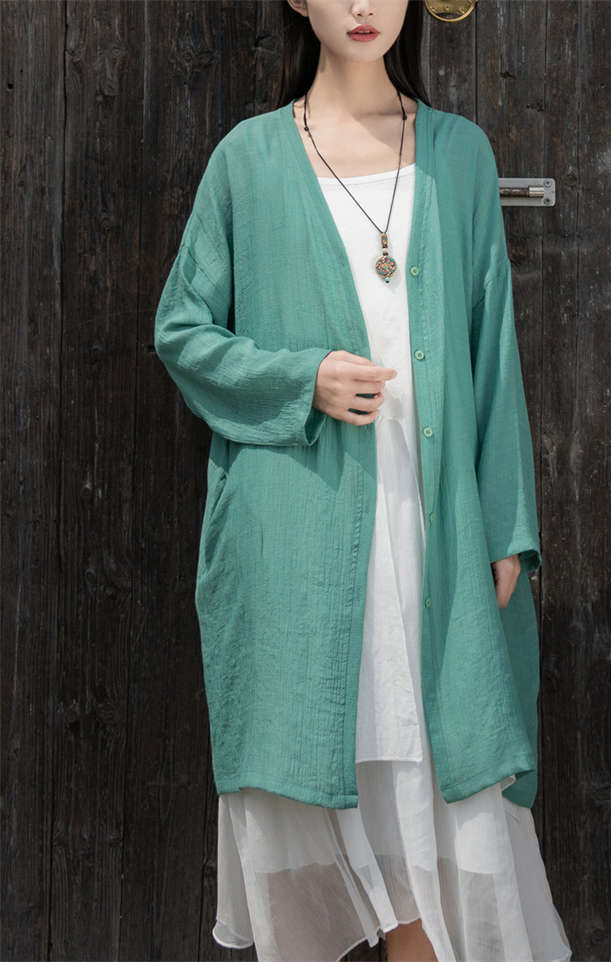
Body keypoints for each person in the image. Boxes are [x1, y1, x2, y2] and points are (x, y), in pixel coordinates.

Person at [154, 1, 574, 959]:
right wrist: (301, 379)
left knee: (439, 804)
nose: (360, 5)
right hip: (297, 538)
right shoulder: (248, 160)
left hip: (434, 533)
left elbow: (491, 344)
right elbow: (182, 330)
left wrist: (506, 521)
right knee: (322, 779)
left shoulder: (459, 153)